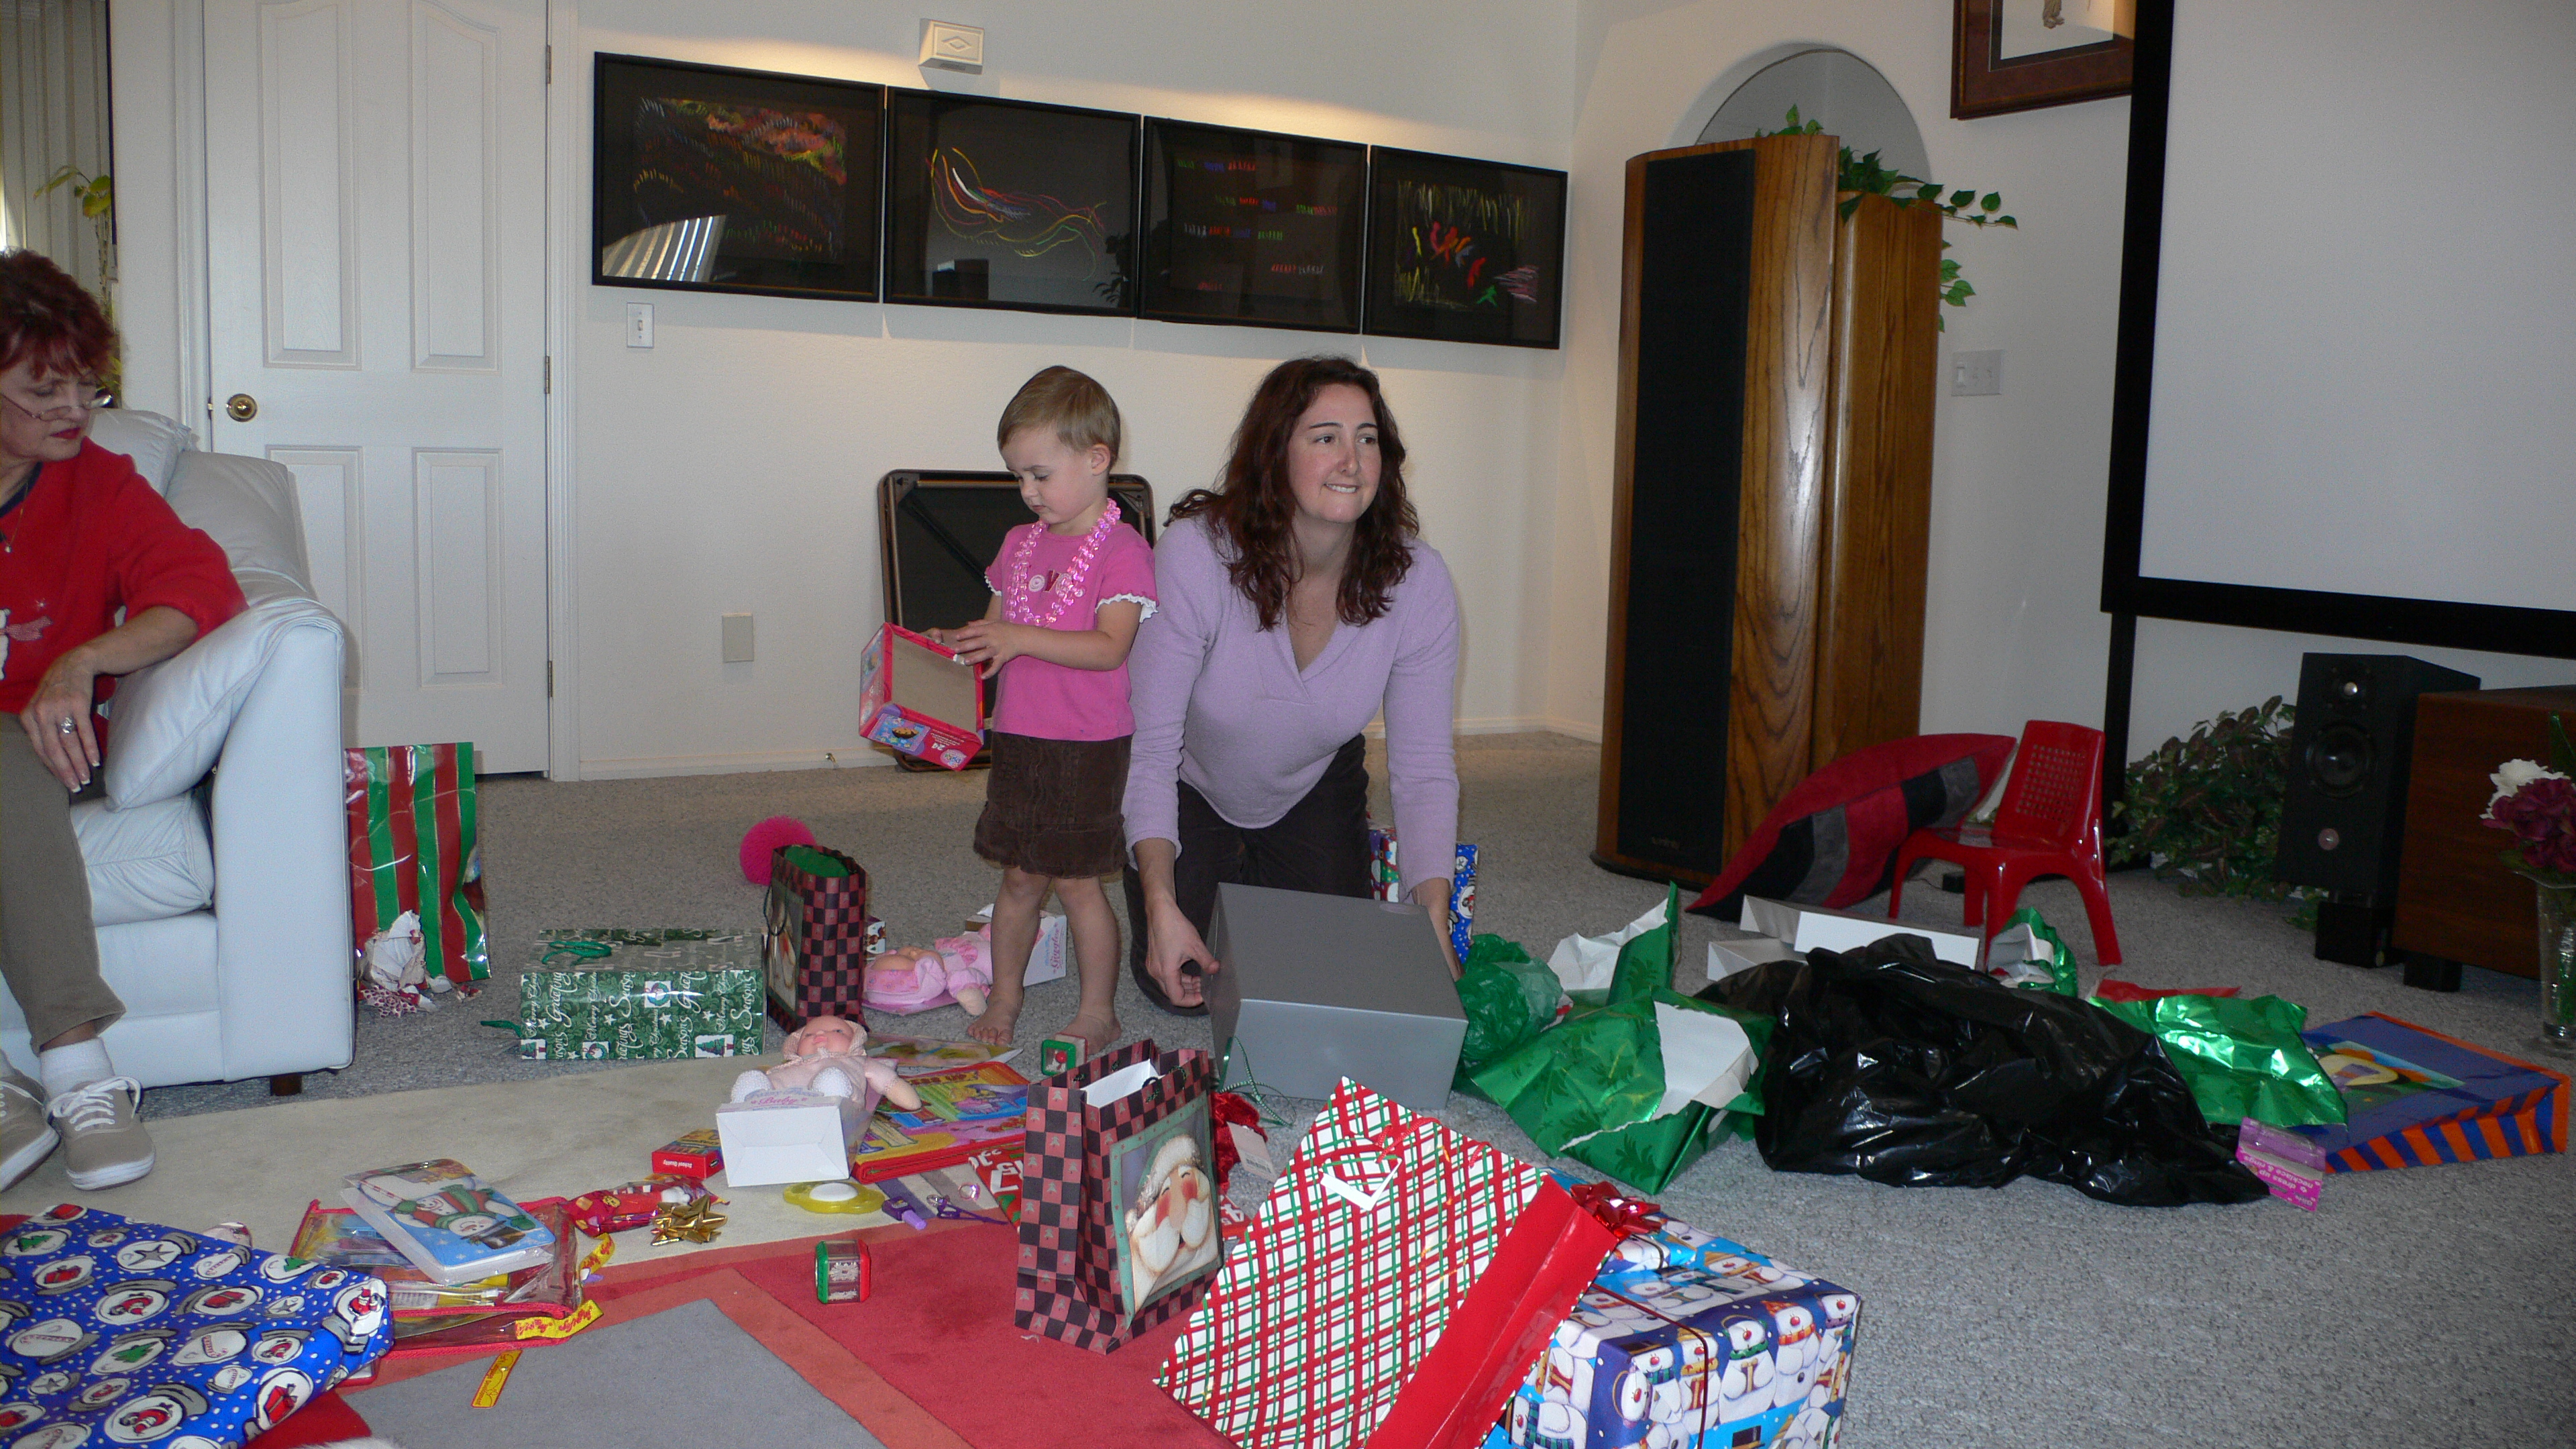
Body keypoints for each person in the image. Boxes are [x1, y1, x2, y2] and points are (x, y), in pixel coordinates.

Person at [0, 250, 246, 1191]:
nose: (73, 409)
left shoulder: (98, 484)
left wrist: (83, 659)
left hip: (34, 735)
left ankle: (76, 1070)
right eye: (44, 390)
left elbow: (199, 589)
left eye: (87, 387)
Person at [1122, 356, 1460, 1012]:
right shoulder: (1195, 554)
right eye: (1325, 437)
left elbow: (1423, 769)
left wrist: (1433, 922)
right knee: (1191, 989)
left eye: (1367, 439)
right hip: (1191, 780)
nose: (1352, 460)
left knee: (1322, 982)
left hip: (1312, 777)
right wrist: (1162, 904)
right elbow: (1149, 750)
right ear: (1275, 453)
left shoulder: (1418, 580)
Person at [929, 366, 1155, 1054]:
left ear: (1097, 459)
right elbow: (998, 632)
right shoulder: (1017, 543)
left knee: (1080, 886)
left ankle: (1098, 1012)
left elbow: (1110, 648)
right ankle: (1005, 997)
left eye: (1040, 474)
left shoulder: (1124, 550)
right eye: (1018, 476)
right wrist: (957, 647)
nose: (1027, 491)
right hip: (1021, 739)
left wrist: (1018, 637)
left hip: (1087, 746)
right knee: (1020, 878)